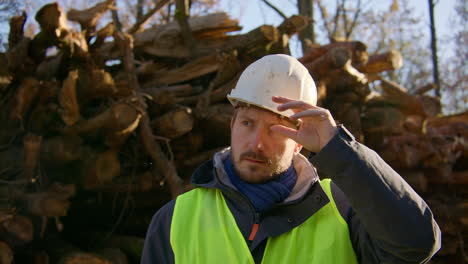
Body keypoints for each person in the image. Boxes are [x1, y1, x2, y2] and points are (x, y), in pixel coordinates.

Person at [141, 54, 441, 263]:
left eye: (276, 128)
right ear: (232, 125)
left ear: (300, 143)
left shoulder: (343, 210)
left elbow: (416, 246)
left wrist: (340, 149)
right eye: (247, 123)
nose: (257, 142)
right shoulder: (174, 220)